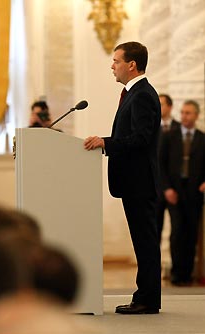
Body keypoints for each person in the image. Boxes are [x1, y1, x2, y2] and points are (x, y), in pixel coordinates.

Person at [84, 41, 161, 314]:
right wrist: (108, 143)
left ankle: (147, 300)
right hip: (134, 181)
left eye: (116, 61)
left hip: (139, 181)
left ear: (132, 64)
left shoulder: (141, 94)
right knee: (143, 241)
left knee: (145, 242)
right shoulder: (134, 93)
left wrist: (105, 142)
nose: (112, 66)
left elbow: (141, 138)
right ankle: (146, 297)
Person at [160, 100, 205, 285]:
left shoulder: (202, 138)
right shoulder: (170, 136)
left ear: (196, 115)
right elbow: (161, 164)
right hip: (175, 191)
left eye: (189, 113)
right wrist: (167, 188)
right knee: (177, 232)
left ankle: (188, 274)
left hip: (194, 191)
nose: (185, 116)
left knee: (191, 233)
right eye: (183, 112)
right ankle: (177, 274)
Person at [156, 94, 181, 243]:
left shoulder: (179, 128)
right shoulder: (152, 128)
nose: (159, 107)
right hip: (157, 188)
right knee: (154, 230)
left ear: (170, 107)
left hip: (176, 188)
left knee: (178, 231)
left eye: (162, 104)